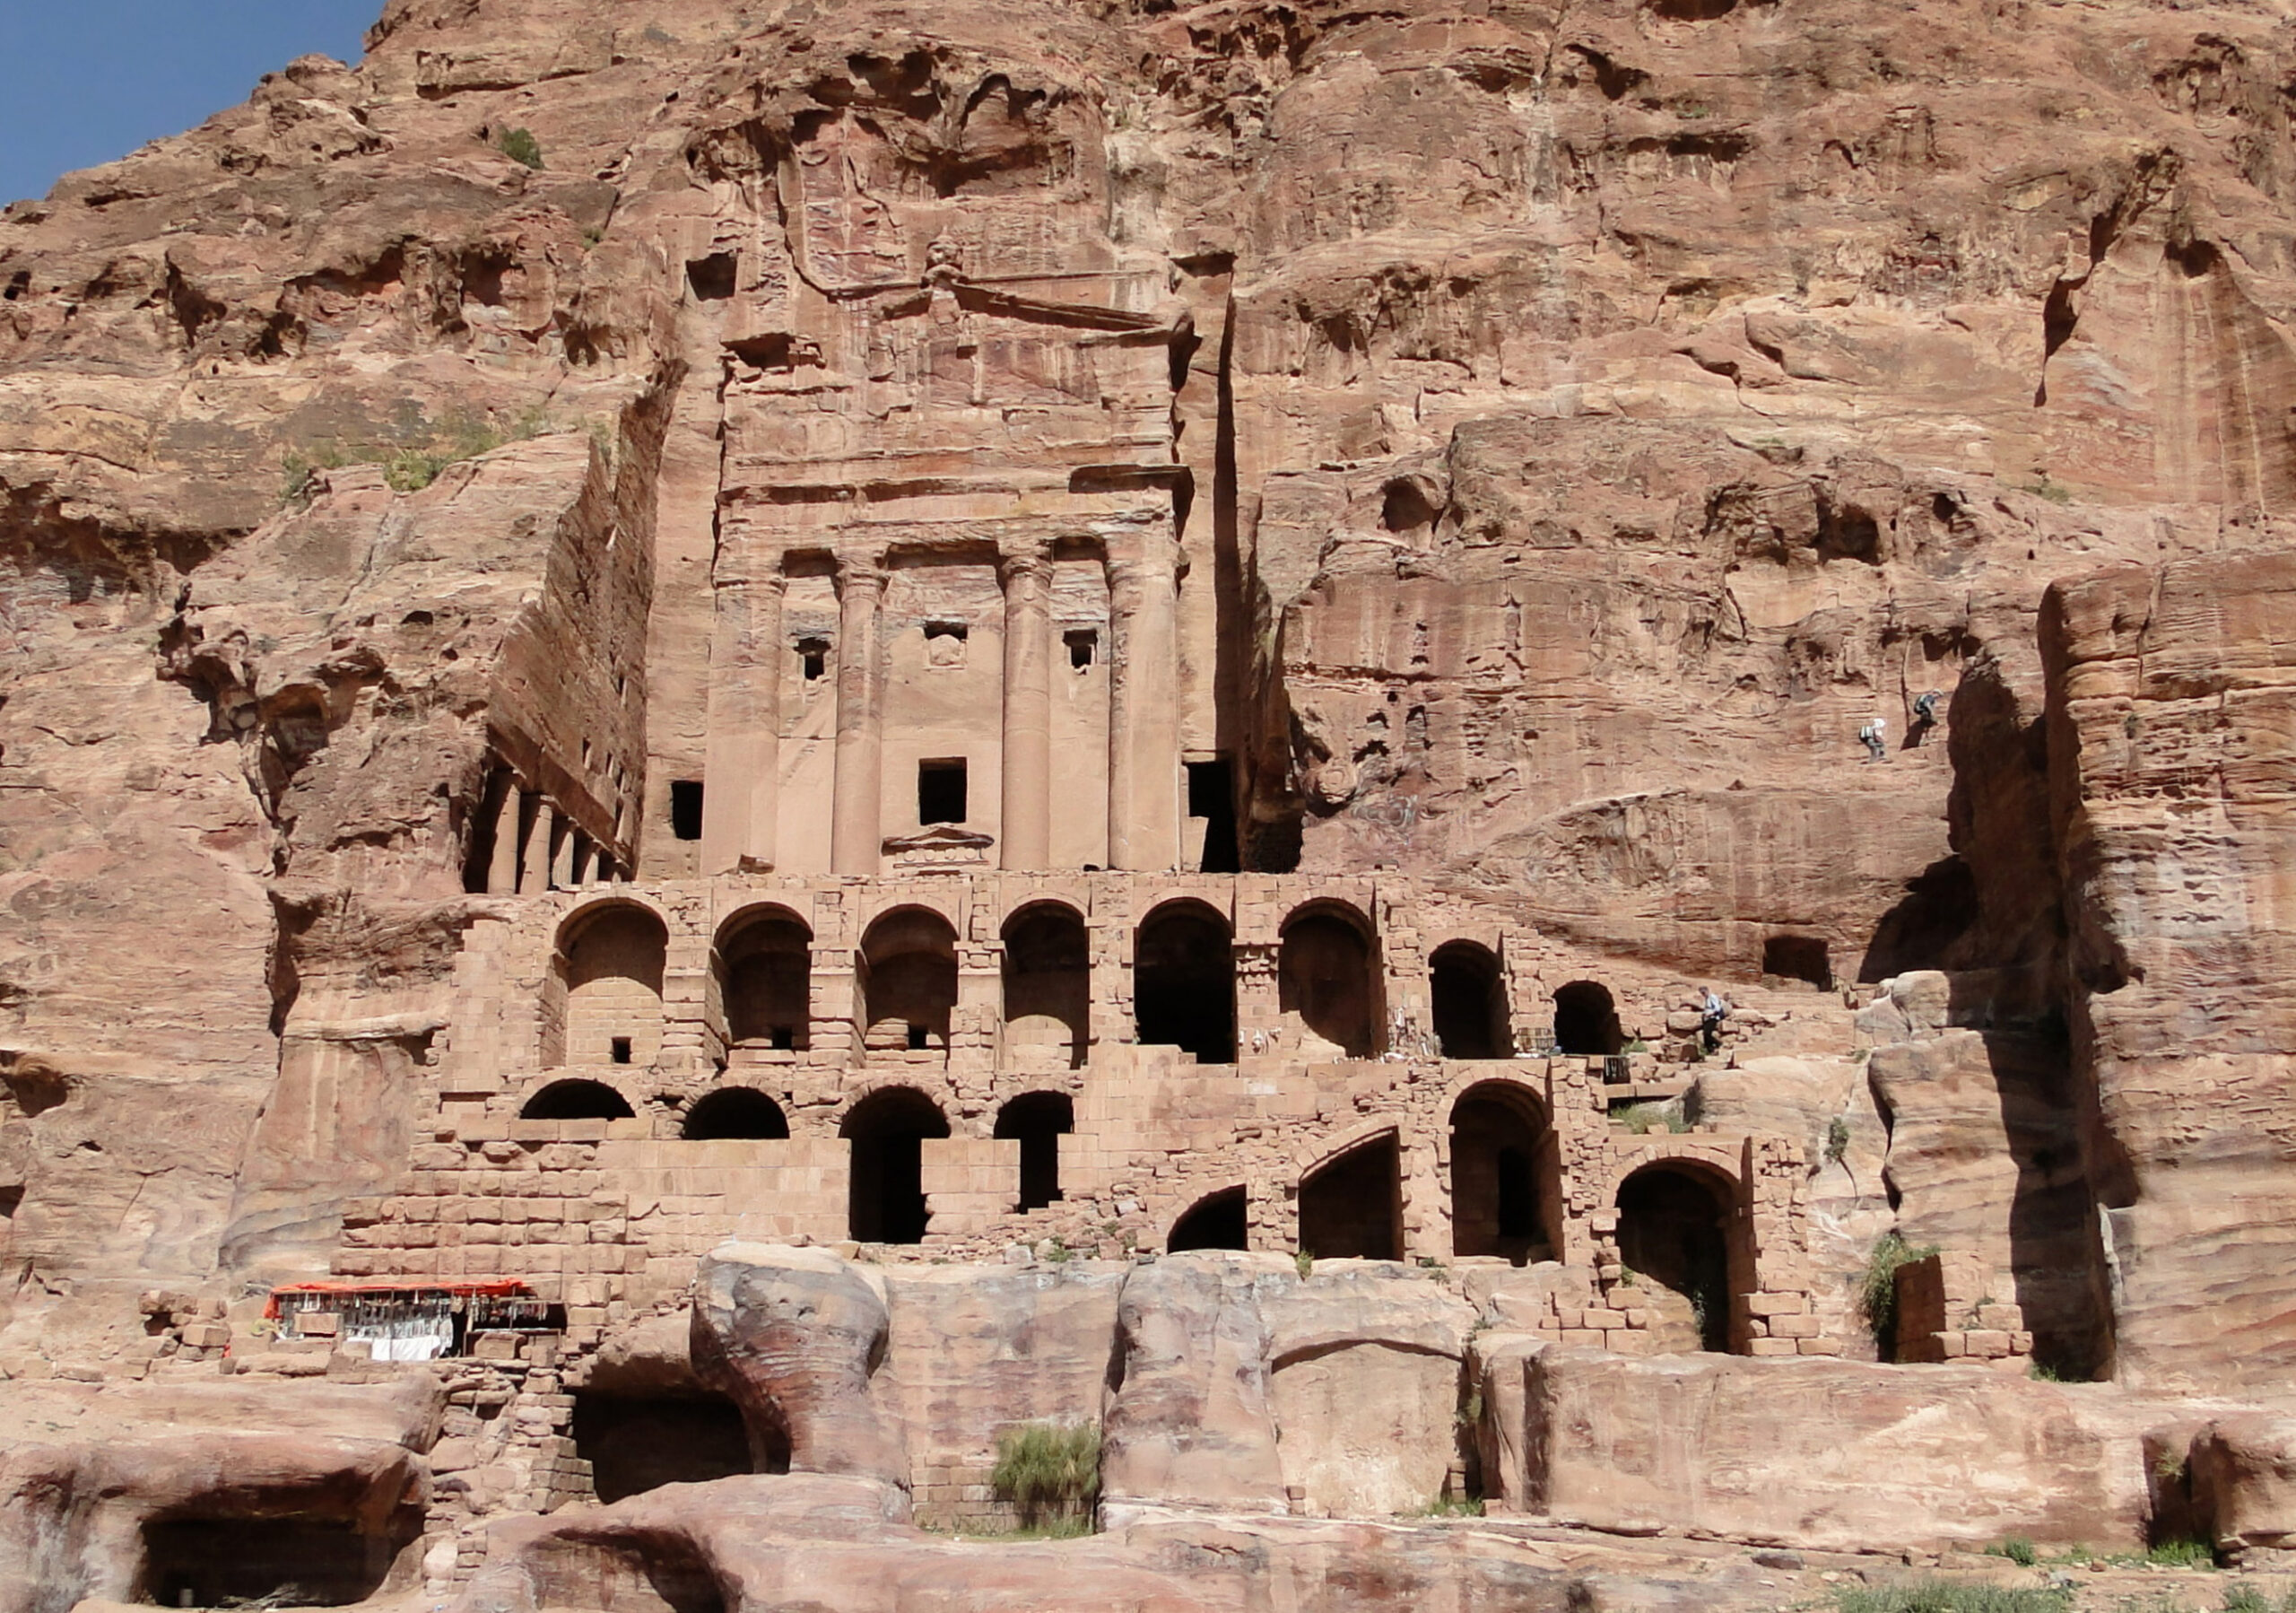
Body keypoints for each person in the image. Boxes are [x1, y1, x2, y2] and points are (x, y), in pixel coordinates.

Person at [1699, 988, 1728, 1054]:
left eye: (1703, 993)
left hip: (1713, 1018)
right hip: (1707, 1018)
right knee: (1705, 1035)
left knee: (1707, 1033)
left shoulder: (1712, 997)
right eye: (1702, 993)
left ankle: (1718, 1043)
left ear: (1707, 991)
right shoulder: (1707, 998)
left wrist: (1710, 1014)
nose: (1703, 994)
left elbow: (1717, 1008)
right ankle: (1710, 1050)